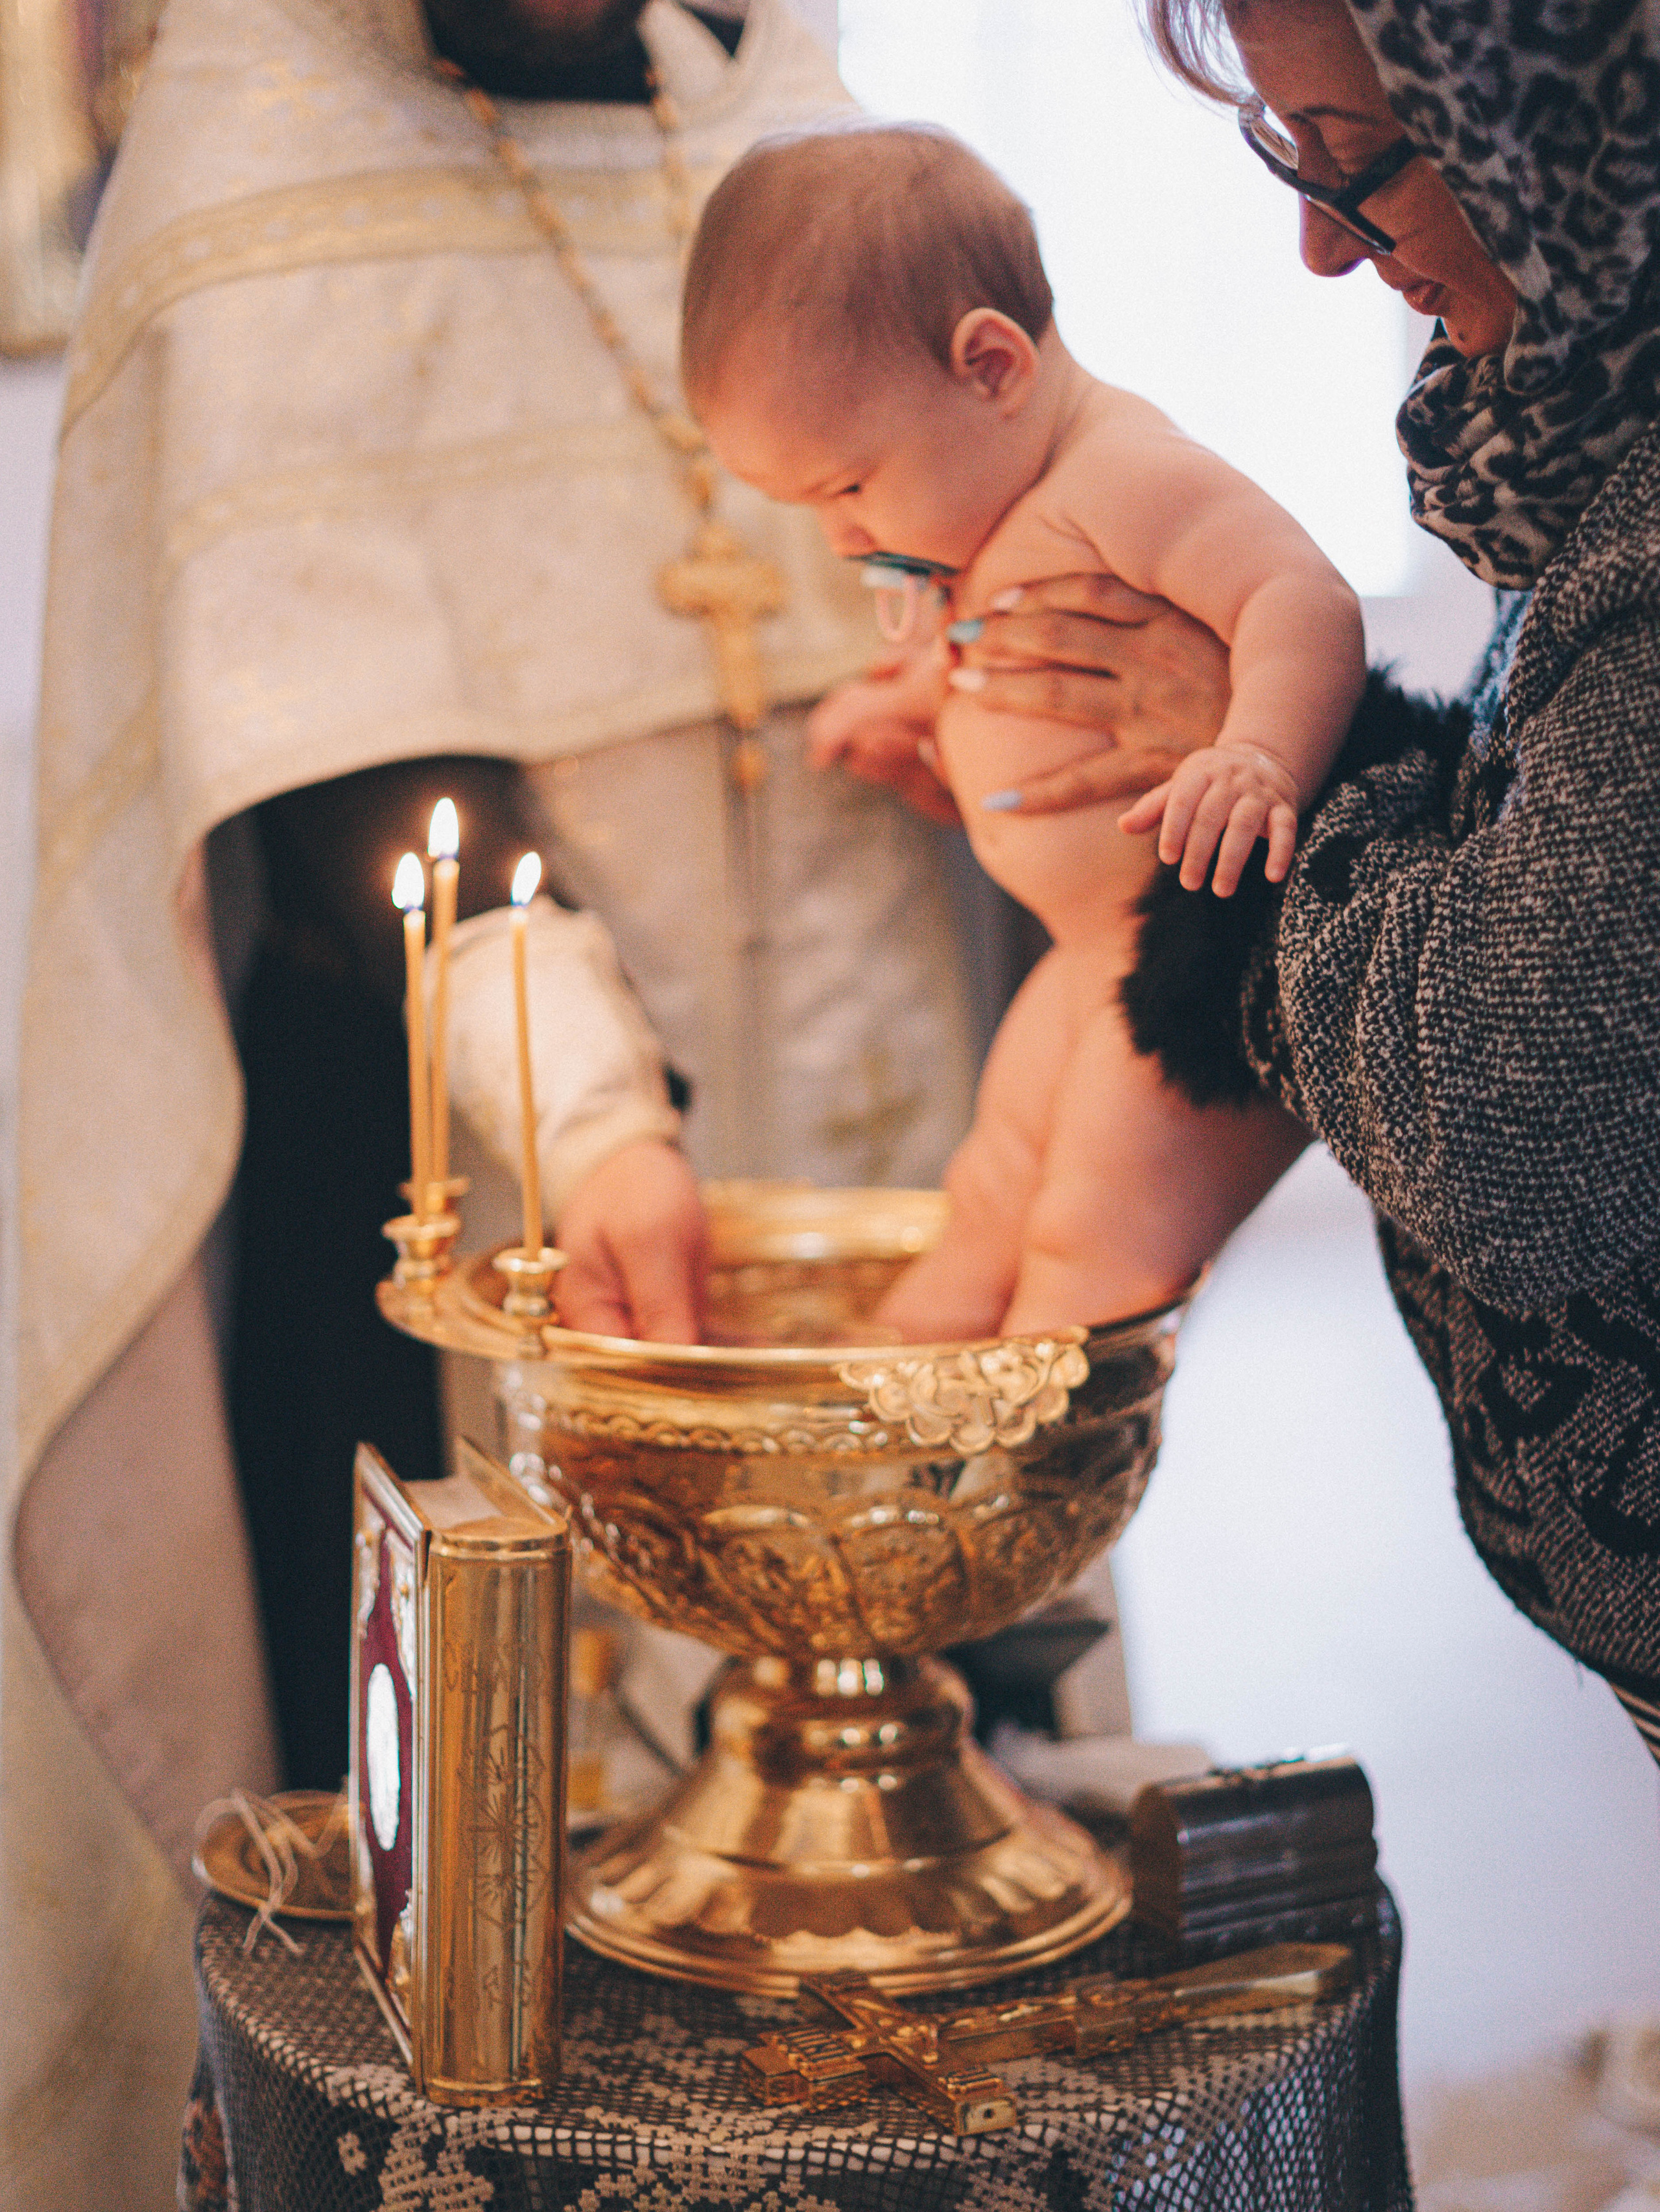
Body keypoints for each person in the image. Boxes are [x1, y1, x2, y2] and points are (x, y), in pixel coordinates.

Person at [7, 1, 1214, 2189]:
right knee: (538, 1956)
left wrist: (1070, 701)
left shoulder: (777, 95)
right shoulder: (253, 119)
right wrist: (582, 1108)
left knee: (929, 1731)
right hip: (479, 1088)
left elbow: (1048, 497)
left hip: (885, 995)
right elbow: (328, 737)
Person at [968, 0, 1660, 1763]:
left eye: (1360, 167)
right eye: (1293, 163)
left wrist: (1271, 757)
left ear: (1568, 117)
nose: (1319, 246)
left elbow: (1507, 1118)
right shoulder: (1592, 436)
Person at [681, 123, 1357, 1335]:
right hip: (1088, 950)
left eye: (847, 485)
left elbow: (1298, 599)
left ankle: (1022, 1482)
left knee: (1088, 1240)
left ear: (990, 368)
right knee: (986, 1196)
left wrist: (1258, 752)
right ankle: (878, 1420)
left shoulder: (1121, 475)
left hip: (1192, 963)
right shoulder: (987, 503)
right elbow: (1021, 671)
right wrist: (923, 702)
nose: (841, 535)